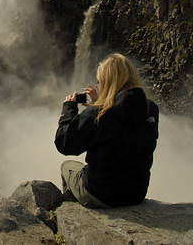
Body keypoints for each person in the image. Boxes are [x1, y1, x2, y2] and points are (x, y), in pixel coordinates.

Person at [55, 53, 159, 208]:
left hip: (100, 193)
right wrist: (98, 102)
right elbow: (121, 129)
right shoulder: (150, 109)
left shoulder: (99, 114)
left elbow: (64, 143)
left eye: (100, 81)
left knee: (67, 166)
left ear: (107, 81)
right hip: (136, 193)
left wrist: (69, 108)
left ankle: (71, 208)